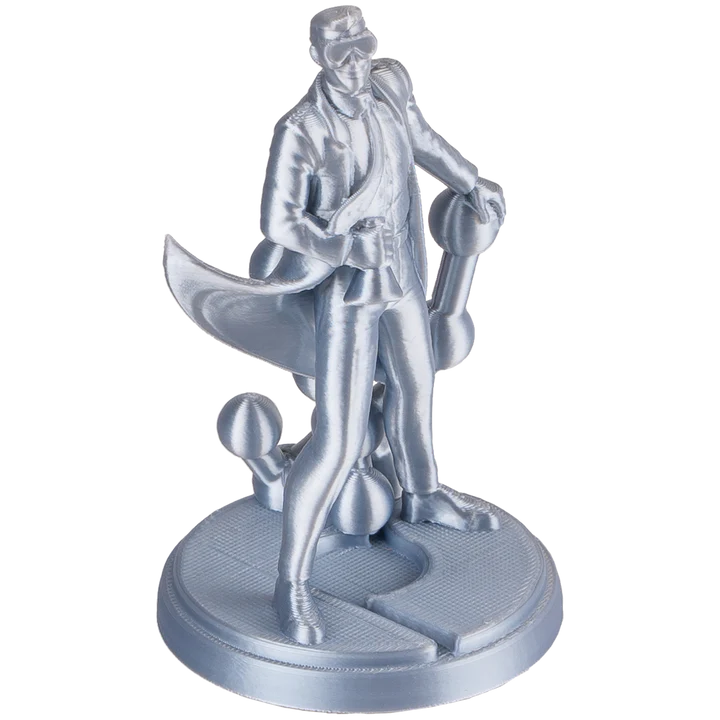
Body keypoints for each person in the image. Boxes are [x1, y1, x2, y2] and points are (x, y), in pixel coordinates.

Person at [259, 4, 507, 645]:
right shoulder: (303, 130)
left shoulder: (388, 85)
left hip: (402, 277)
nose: (353, 62)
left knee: (418, 390)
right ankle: (291, 583)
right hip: (348, 291)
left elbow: (421, 141)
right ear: (317, 56)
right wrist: (342, 248)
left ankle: (422, 494)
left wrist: (472, 181)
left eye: (360, 46)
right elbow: (279, 221)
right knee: (338, 441)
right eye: (338, 51)